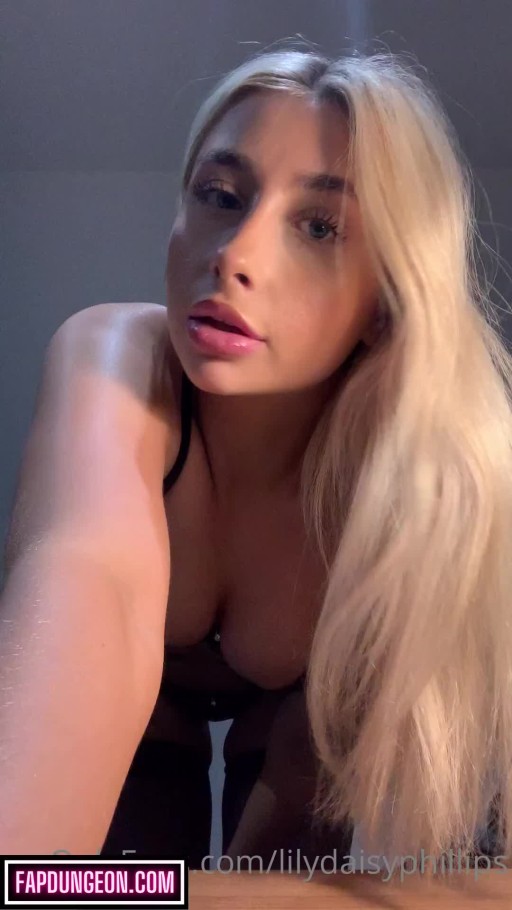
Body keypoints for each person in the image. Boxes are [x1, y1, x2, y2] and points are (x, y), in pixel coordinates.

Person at [2, 46, 512, 874]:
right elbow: (85, 579)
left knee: (271, 876)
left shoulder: (407, 473)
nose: (236, 254)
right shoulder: (112, 358)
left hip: (292, 730)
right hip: (140, 720)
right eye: (220, 195)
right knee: (111, 877)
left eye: (319, 227)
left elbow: (309, 767)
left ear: (384, 302)